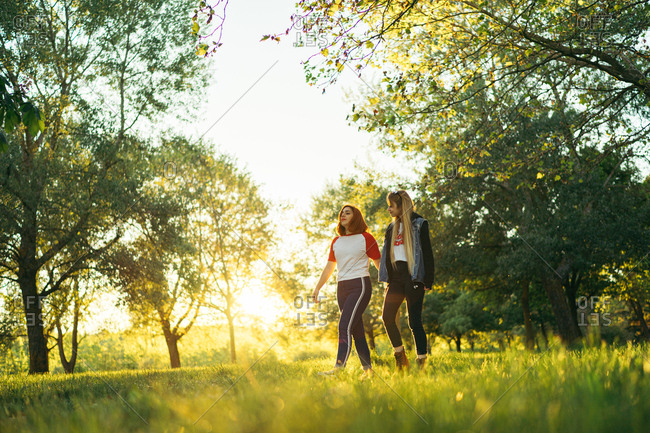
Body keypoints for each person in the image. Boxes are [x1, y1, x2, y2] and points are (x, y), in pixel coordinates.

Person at [312, 204, 381, 379]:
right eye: (342, 213)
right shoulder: (336, 241)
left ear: (355, 217)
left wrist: (389, 283)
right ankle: (368, 371)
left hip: (360, 285)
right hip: (341, 287)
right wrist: (317, 287)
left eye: (347, 213)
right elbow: (329, 266)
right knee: (356, 329)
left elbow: (378, 263)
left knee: (344, 326)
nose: (343, 215)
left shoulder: (366, 238)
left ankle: (338, 369)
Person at [379, 190, 435, 371]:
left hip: (413, 277)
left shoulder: (419, 224)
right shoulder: (391, 228)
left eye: (391, 205)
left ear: (400, 205)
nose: (388, 209)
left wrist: (428, 279)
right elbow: (388, 256)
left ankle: (421, 362)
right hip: (395, 278)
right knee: (387, 316)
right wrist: (388, 278)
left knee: (414, 321)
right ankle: (400, 356)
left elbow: (427, 252)